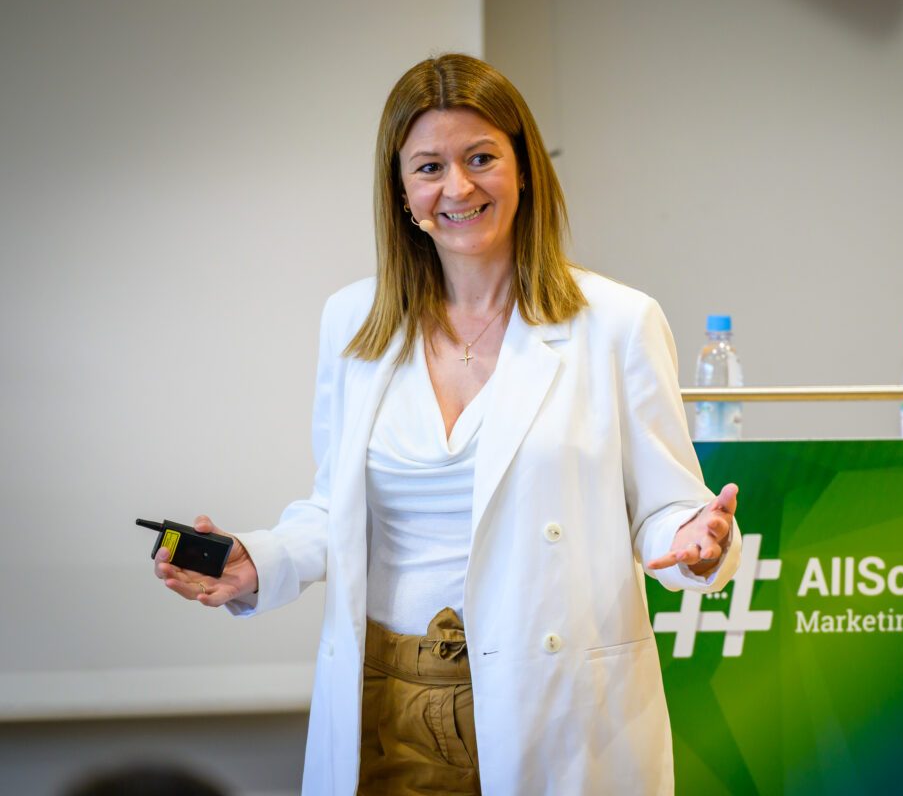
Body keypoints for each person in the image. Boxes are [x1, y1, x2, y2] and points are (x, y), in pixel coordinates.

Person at [153, 53, 741, 796]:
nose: (458, 188)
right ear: (401, 193)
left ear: (524, 170)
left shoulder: (618, 322)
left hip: (553, 702)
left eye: (481, 158)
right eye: (429, 167)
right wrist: (258, 561)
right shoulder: (353, 322)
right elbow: (335, 509)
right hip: (385, 698)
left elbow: (665, 508)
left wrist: (695, 542)